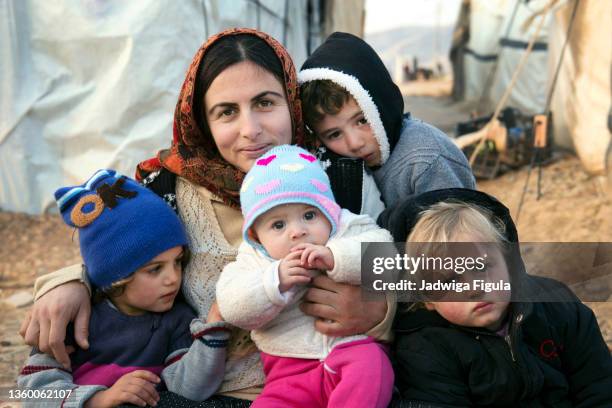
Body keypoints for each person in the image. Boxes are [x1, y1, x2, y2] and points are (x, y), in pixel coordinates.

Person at [19, 28, 392, 406]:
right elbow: (118, 246)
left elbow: (443, 270)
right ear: (202, 120)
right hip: (210, 395)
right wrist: (71, 281)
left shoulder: (341, 174)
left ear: (292, 102)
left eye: (265, 102)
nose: (251, 129)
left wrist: (380, 312)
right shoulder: (166, 186)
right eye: (227, 111)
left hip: (342, 381)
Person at [18, 169, 230, 407]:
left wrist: (212, 333)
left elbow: (189, 390)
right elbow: (33, 394)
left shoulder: (177, 320)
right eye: (154, 269)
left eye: (178, 262)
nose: (173, 278)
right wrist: (99, 399)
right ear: (116, 276)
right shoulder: (77, 319)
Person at [383, 188, 612, 407]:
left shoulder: (557, 305)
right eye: (450, 280)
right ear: (427, 299)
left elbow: (598, 383)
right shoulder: (425, 350)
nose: (474, 288)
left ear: (507, 260)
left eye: (482, 267)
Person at [217, 145, 394, 407]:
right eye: (278, 224)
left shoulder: (347, 228)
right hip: (287, 371)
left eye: (309, 215)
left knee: (372, 368)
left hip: (351, 349)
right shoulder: (253, 259)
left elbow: (387, 256)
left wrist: (336, 257)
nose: (298, 231)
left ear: (329, 211)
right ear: (256, 236)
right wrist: (273, 281)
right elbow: (232, 307)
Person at [298, 32, 476, 208]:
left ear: (381, 104)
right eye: (335, 134)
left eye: (362, 120)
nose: (354, 143)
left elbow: (455, 232)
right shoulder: (333, 165)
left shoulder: (427, 161)